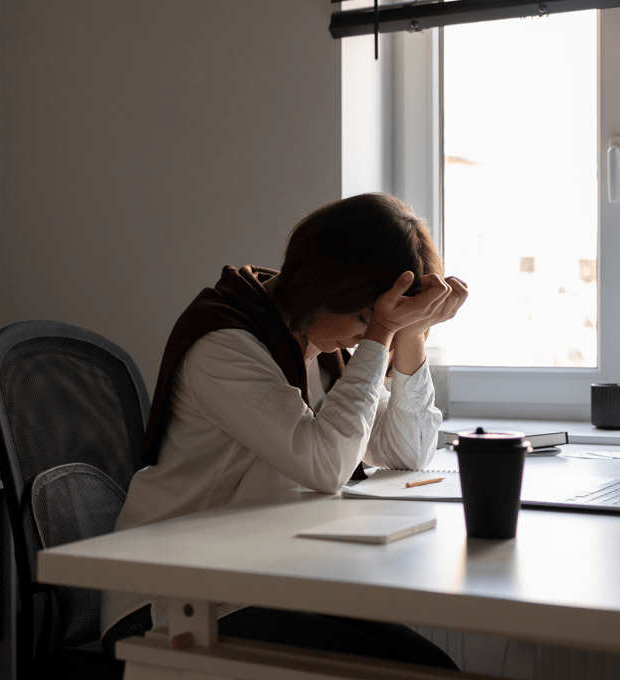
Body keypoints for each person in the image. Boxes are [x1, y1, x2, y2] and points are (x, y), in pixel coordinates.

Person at [101, 193, 468, 669]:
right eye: (365, 316)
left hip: (258, 578)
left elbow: (406, 452)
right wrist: (380, 335)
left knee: (430, 668)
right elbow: (325, 466)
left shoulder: (324, 348)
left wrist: (410, 333)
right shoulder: (225, 343)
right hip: (170, 597)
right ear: (326, 284)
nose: (366, 334)